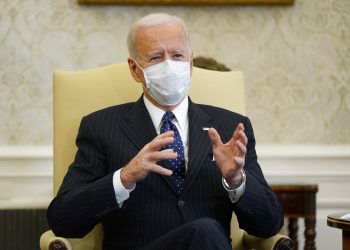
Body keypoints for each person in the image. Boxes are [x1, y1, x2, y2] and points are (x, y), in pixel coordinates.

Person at [47, 13, 283, 250]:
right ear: (134, 69)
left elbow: (268, 225)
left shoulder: (229, 127)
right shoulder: (101, 127)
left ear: (190, 65)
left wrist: (236, 181)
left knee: (205, 232)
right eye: (156, 58)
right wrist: (124, 177)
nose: (169, 65)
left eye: (178, 55)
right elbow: (63, 221)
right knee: (204, 230)